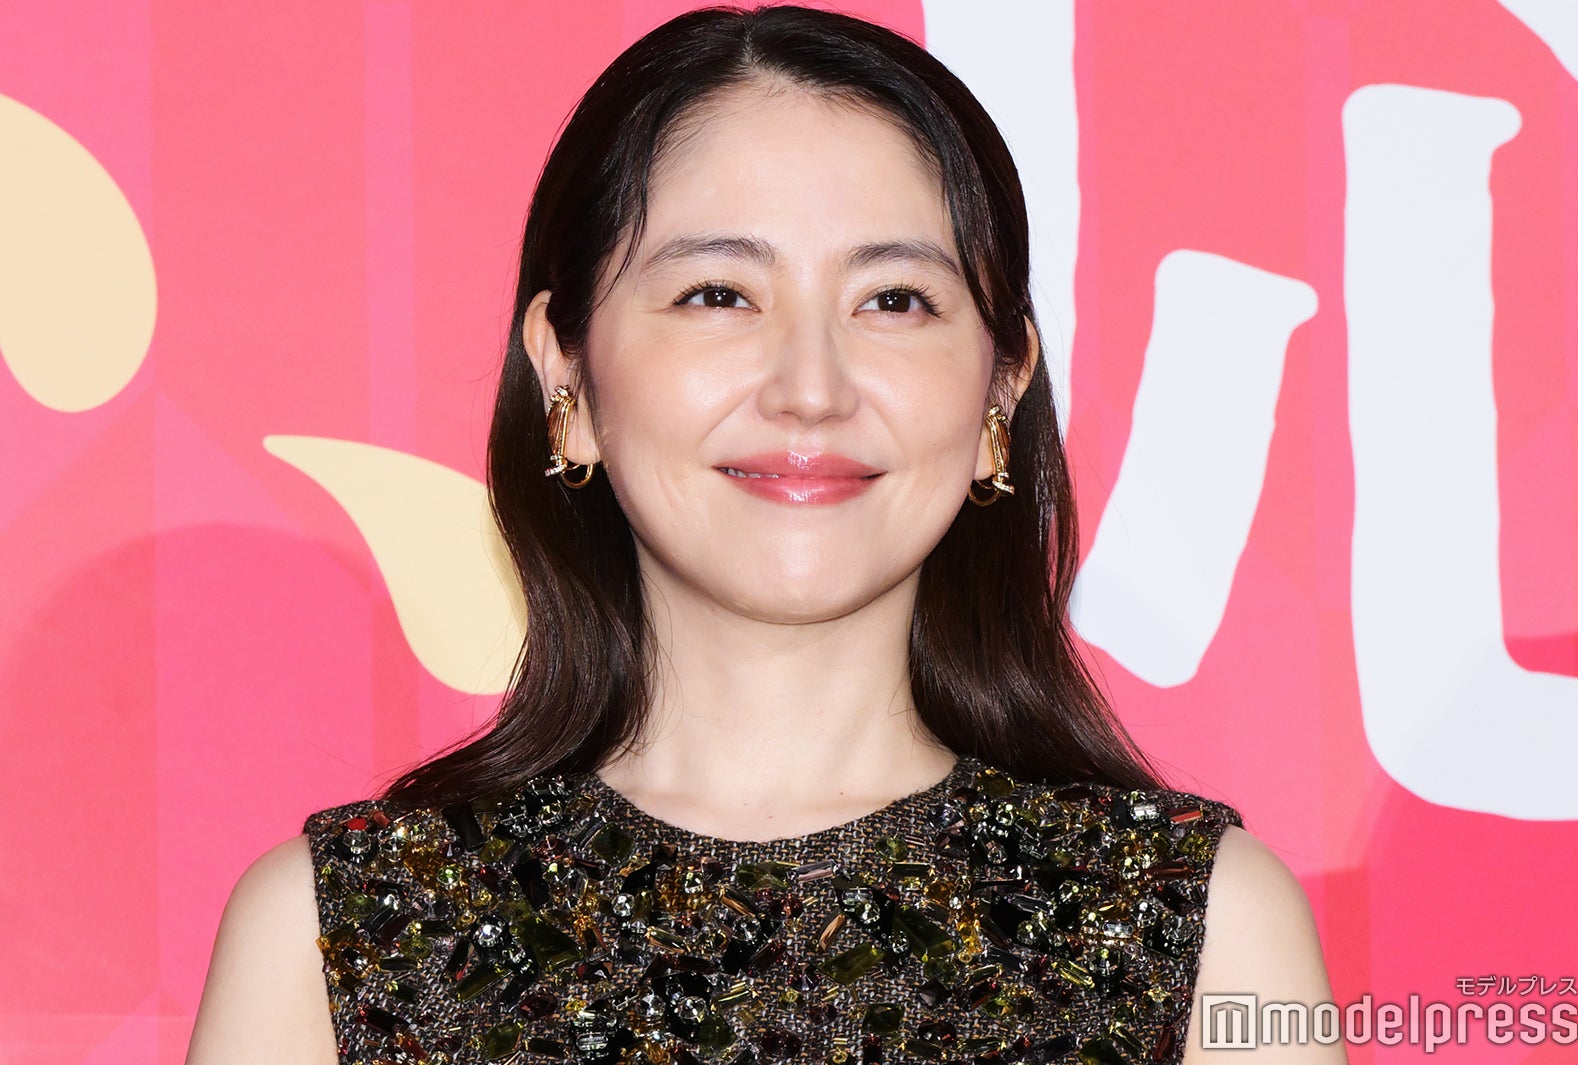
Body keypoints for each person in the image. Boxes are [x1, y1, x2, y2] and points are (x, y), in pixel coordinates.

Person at [187, 5, 1343, 1063]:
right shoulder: (342, 933)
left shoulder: (1200, 928)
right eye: (718, 296)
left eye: (894, 301)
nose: (810, 388)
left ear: (1001, 394)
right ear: (565, 377)